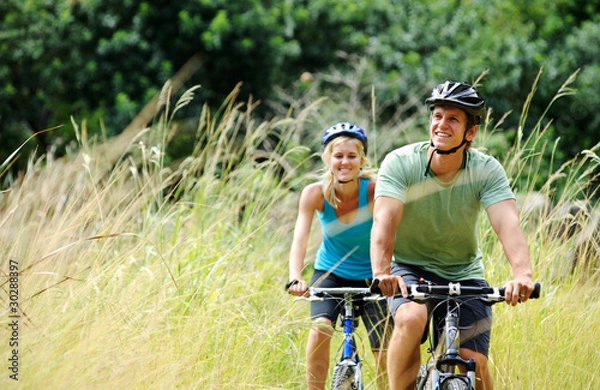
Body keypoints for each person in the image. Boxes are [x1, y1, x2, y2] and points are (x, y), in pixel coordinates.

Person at [370, 81, 535, 390]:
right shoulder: (401, 163)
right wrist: (381, 271)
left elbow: (507, 223)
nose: (441, 124)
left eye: (453, 119)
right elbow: (384, 221)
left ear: (470, 133)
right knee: (409, 319)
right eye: (437, 115)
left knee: (475, 362)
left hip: (464, 275)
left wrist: (522, 274)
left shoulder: (486, 169)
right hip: (409, 269)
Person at [287, 122, 391, 390]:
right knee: (320, 328)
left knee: (383, 345)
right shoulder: (314, 193)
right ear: (328, 159)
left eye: (351, 156)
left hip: (373, 274)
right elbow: (299, 238)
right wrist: (295, 278)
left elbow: (392, 231)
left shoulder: (374, 190)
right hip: (330, 272)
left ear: (361, 160)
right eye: (338, 156)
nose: (345, 162)